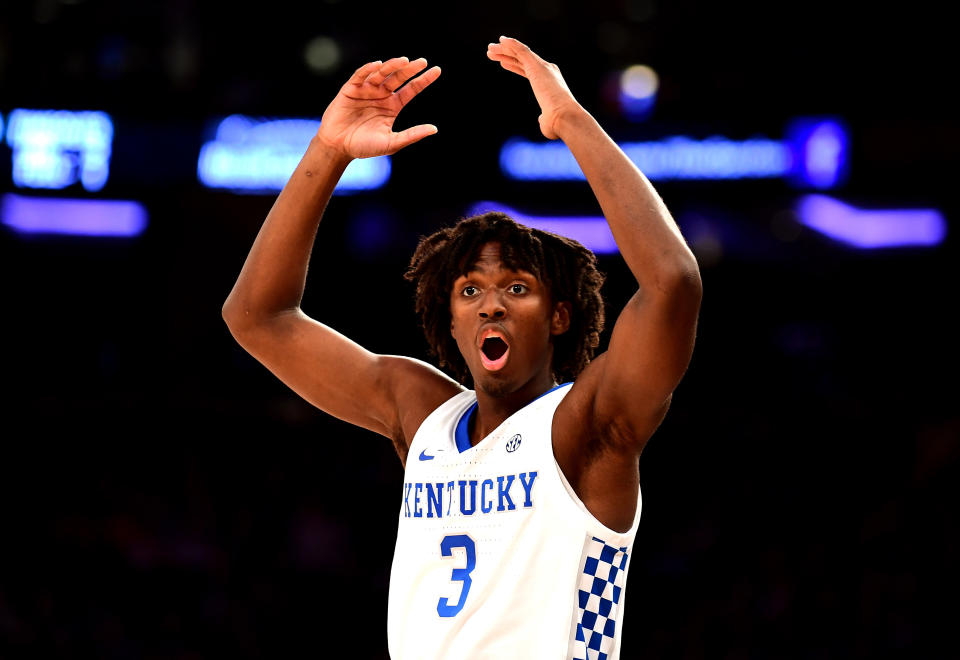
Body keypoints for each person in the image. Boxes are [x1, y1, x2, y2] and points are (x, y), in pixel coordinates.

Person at [223, 36, 701, 660]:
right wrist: (329, 152)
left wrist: (571, 121)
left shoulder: (586, 426)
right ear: (450, 321)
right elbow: (258, 316)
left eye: (517, 288)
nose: (491, 304)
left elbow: (672, 285)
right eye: (469, 289)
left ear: (560, 317)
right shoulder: (423, 414)